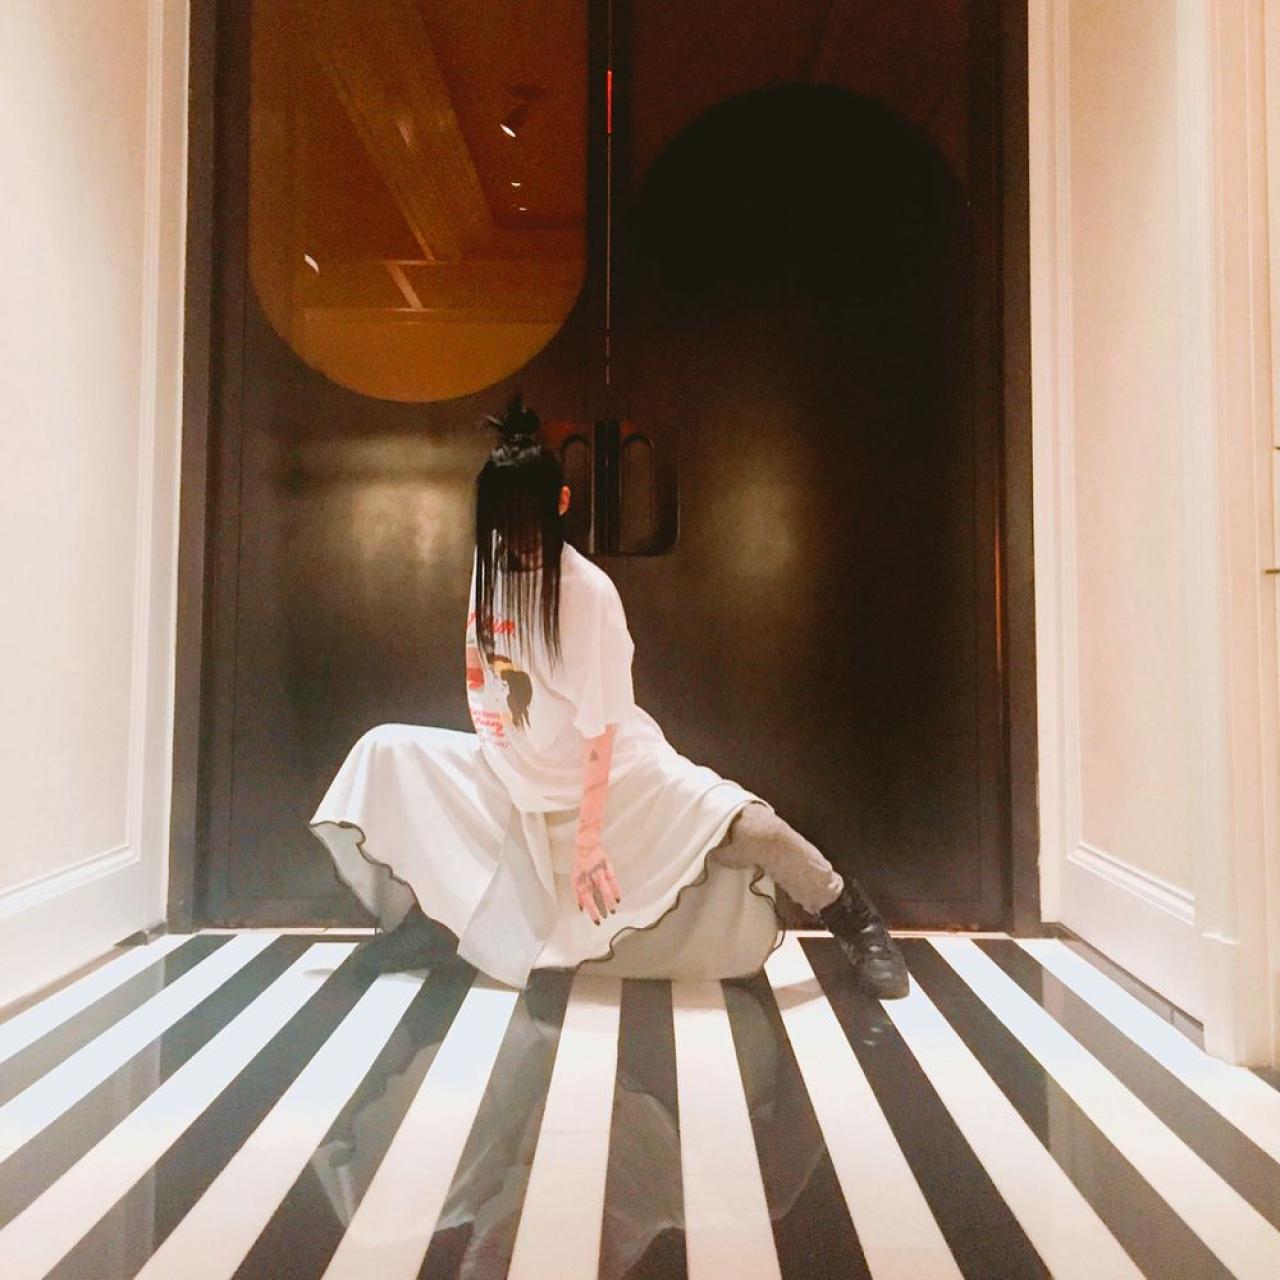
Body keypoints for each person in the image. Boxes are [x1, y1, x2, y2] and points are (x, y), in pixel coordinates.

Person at [309, 393, 909, 1000]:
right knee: (385, 752)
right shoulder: (490, 559)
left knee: (750, 827)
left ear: (562, 503)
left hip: (611, 772)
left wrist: (591, 839)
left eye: (529, 521)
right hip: (512, 771)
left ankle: (852, 917)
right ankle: (436, 923)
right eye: (504, 523)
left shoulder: (589, 593)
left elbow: (602, 730)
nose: (518, 538)